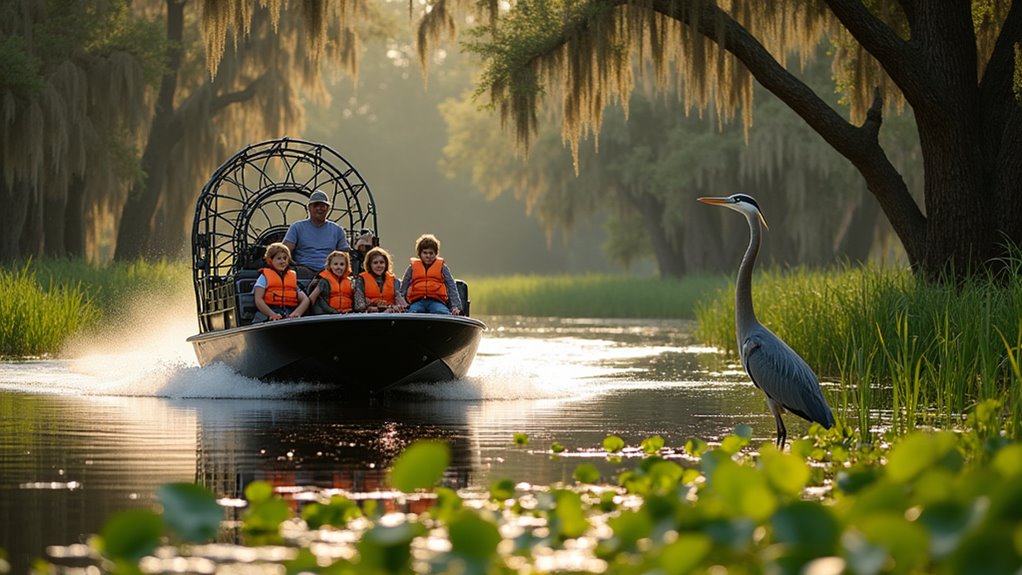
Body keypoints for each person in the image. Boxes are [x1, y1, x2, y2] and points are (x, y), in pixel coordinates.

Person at [283, 189, 350, 276]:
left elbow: (344, 255)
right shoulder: (297, 227)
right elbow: (285, 250)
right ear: (309, 208)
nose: (319, 208)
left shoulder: (338, 230)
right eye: (316, 205)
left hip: (330, 272)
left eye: (322, 206)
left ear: (328, 209)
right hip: (303, 270)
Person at [400, 233, 462, 315]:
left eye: (431, 253)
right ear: (420, 254)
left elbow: (451, 286)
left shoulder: (442, 267)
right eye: (425, 253)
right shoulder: (412, 268)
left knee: (443, 312)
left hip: (436, 302)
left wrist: (456, 306)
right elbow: (404, 286)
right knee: (412, 312)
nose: (428, 256)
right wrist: (401, 304)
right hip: (418, 301)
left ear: (436, 254)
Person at [253, 242, 310, 321]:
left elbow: (305, 300)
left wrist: (296, 313)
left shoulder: (291, 277)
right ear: (270, 260)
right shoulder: (264, 277)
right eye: (279, 258)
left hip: (289, 312)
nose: (283, 261)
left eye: (285, 258)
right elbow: (258, 299)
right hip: (271, 311)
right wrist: (272, 315)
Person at [354, 246, 407, 313]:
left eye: (381, 262)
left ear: (386, 264)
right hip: (369, 315)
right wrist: (376, 307)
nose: (379, 265)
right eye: (375, 263)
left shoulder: (394, 280)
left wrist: (394, 307)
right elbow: (359, 306)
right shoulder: (361, 279)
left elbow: (401, 302)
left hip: (390, 314)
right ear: (369, 265)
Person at [307, 250, 355, 314]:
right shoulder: (323, 281)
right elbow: (314, 299)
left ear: (346, 266)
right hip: (328, 314)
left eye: (342, 264)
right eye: (335, 264)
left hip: (348, 314)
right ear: (330, 266)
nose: (339, 267)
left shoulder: (351, 281)